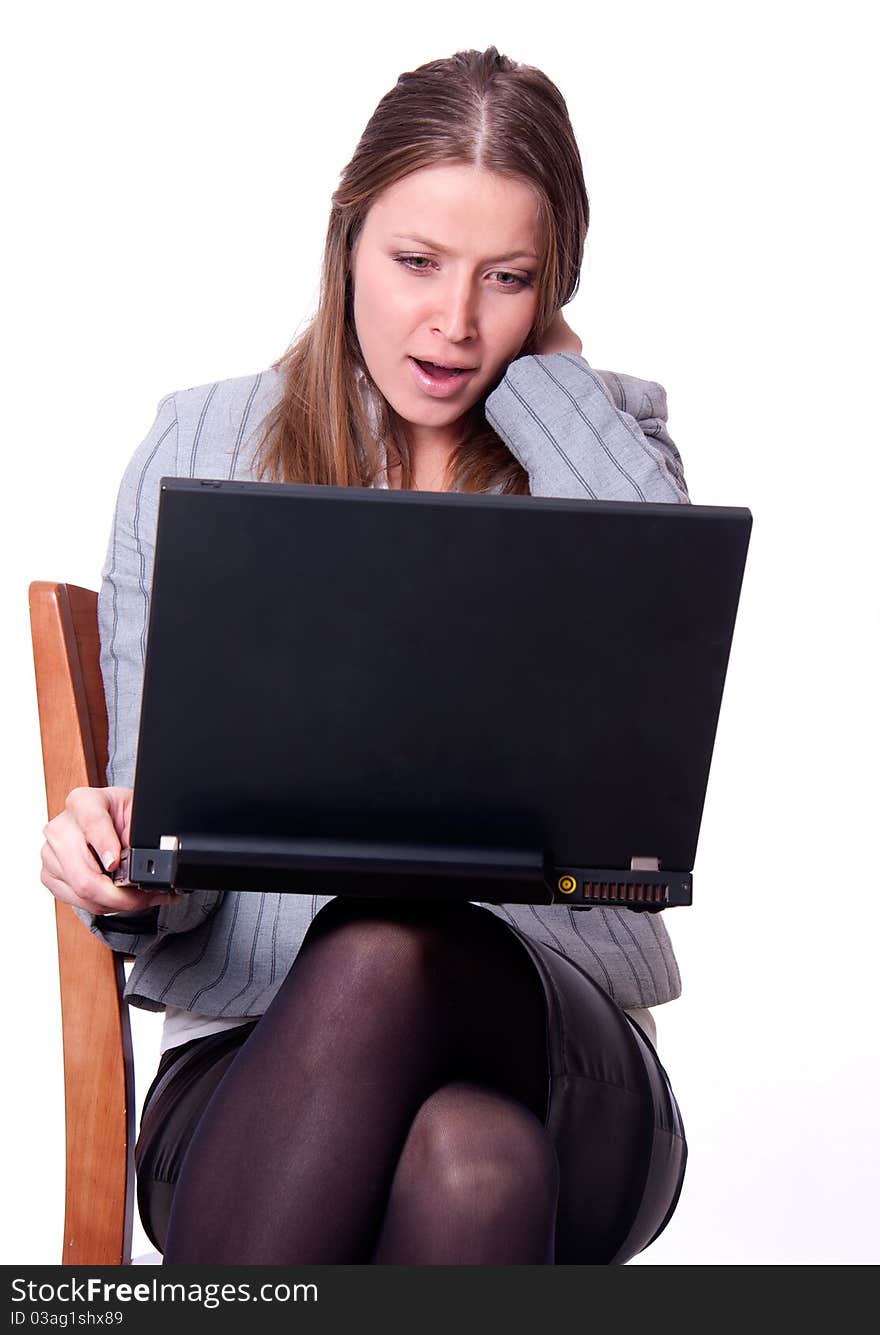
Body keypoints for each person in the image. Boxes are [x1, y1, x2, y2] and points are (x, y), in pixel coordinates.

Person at [39, 46, 689, 1265]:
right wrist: (123, 862)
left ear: (553, 292)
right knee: (469, 1164)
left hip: (567, 1063)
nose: (453, 323)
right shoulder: (206, 443)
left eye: (508, 278)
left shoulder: (602, 440)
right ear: (344, 242)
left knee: (393, 937)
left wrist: (546, 388)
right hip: (258, 1079)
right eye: (415, 263)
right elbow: (166, 852)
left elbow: (661, 621)